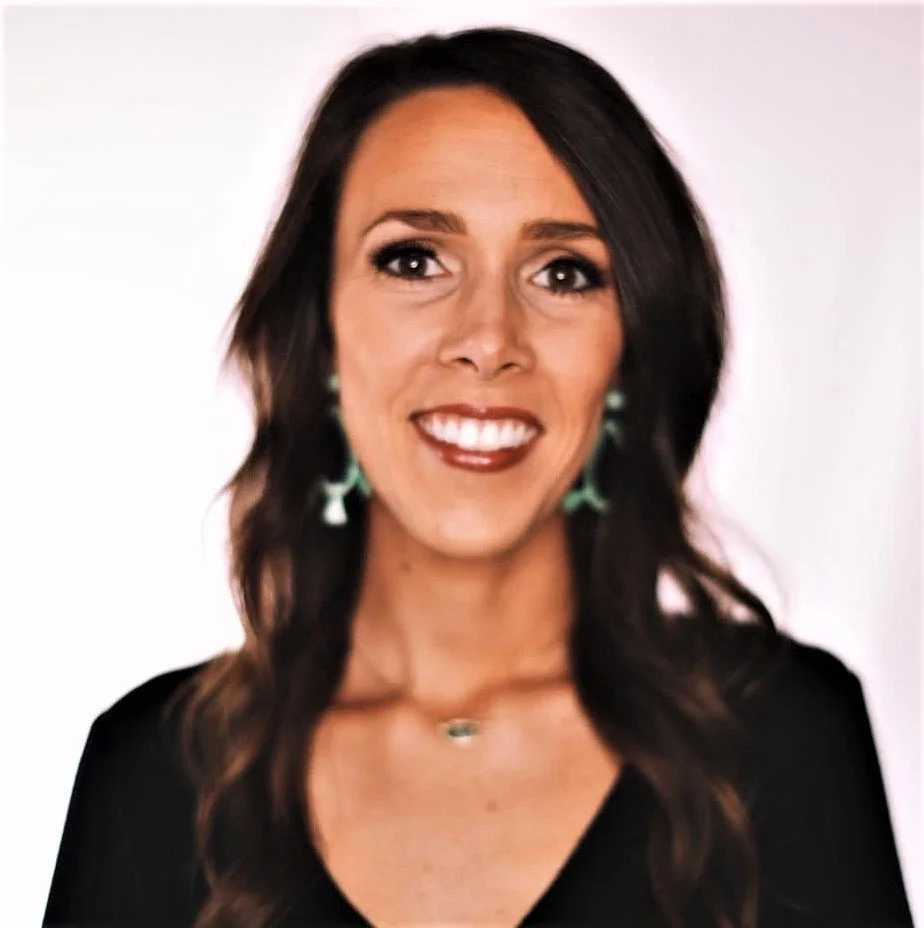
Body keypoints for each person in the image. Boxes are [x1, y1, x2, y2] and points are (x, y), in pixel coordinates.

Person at [42, 25, 914, 928]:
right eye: (414, 259)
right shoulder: (153, 771)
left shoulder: (780, 734)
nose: (489, 339)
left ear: (630, 352)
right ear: (321, 332)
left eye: (564, 271)